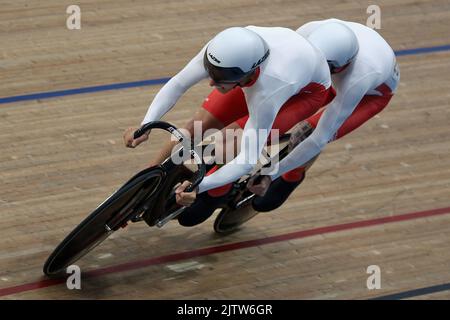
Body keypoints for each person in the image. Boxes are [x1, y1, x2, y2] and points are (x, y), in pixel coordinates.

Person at [123, 25, 334, 226]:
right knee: (197, 125)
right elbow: (178, 83)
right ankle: (149, 179)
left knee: (229, 144)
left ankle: (217, 193)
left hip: (304, 93)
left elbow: (247, 160)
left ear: (248, 73)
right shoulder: (222, 49)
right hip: (273, 72)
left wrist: (201, 185)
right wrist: (146, 125)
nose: (211, 84)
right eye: (210, 72)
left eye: (220, 78)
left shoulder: (270, 90)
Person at [248, 19, 400, 212]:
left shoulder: (359, 77)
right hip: (331, 80)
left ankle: (291, 176)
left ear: (337, 67)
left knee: (305, 135)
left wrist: (271, 174)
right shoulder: (308, 32)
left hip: (368, 96)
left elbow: (319, 138)